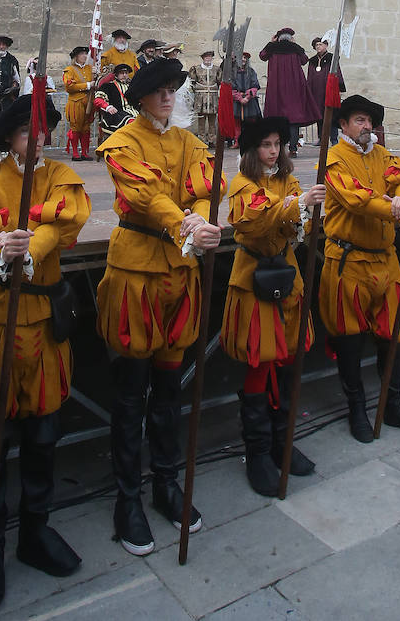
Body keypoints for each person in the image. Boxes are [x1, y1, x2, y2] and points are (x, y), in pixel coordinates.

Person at [0, 94, 91, 611]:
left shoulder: (58, 176)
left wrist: (33, 244)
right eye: (29, 133)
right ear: (9, 137)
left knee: (44, 432)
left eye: (44, 130)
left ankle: (36, 532)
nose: (39, 140)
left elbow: (69, 219)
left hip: (45, 320)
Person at [95, 57, 224, 557]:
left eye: (173, 90)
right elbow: (145, 194)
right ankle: (127, 499)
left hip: (180, 275)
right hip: (136, 275)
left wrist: (201, 214)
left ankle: (166, 484)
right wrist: (187, 222)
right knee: (132, 395)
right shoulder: (122, 142)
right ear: (142, 97)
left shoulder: (191, 141)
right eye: (160, 91)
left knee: (170, 390)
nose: (169, 98)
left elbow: (210, 185)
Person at [319, 94, 400, 442]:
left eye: (369, 121)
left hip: (386, 260)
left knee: (395, 337)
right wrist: (399, 209)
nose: (366, 126)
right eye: (358, 120)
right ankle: (357, 410)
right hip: (348, 263)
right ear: (343, 125)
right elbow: (357, 198)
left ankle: (393, 405)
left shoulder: (382, 154)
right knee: (350, 341)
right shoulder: (333, 158)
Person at [221, 116, 324, 495]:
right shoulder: (242, 184)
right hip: (253, 279)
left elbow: (297, 223)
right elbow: (257, 219)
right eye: (266, 144)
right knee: (259, 364)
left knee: (286, 361)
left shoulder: (287, 179)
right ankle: (258, 451)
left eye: (277, 143)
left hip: (287, 274)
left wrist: (307, 214)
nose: (273, 150)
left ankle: (283, 442)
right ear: (252, 150)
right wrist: (296, 206)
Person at [259, 29, 320, 157]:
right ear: (291, 38)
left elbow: (262, 56)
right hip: (294, 89)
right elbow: (304, 60)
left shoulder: (272, 48)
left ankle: (279, 149)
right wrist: (295, 44)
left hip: (277, 89)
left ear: (278, 38)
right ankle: (293, 149)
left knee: (277, 120)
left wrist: (271, 42)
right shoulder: (296, 49)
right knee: (294, 121)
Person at [307, 38, 346, 145]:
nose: (318, 47)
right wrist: (308, 91)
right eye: (316, 45)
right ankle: (321, 139)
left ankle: (334, 140)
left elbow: (337, 72)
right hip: (316, 93)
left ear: (325, 45)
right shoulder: (312, 61)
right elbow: (309, 77)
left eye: (320, 44)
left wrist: (339, 88)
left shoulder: (331, 58)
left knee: (331, 116)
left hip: (329, 91)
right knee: (319, 116)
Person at [62, 47, 95, 161]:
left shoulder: (90, 69)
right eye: (82, 54)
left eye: (86, 53)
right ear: (76, 56)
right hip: (76, 103)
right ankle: (75, 152)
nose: (85, 56)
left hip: (88, 101)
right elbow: (69, 87)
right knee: (76, 127)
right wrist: (87, 85)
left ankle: (85, 152)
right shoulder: (69, 70)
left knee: (86, 127)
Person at [93, 64, 135, 137]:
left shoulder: (132, 86)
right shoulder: (108, 86)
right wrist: (108, 107)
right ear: (116, 75)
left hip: (134, 112)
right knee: (132, 123)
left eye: (126, 73)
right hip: (117, 113)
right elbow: (98, 100)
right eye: (122, 73)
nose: (124, 75)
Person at [189, 49, 221, 145]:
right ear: (203, 58)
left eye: (210, 56)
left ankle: (212, 140)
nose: (208, 58)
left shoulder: (217, 69)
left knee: (212, 120)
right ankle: (201, 139)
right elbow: (192, 82)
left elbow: (220, 82)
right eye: (206, 56)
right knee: (201, 120)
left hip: (213, 97)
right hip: (200, 98)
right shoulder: (196, 69)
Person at [232, 51, 262, 128]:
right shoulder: (232, 73)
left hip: (250, 102)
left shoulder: (251, 72)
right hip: (236, 102)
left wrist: (247, 97)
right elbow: (232, 88)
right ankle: (237, 140)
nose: (243, 59)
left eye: (245, 58)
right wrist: (240, 98)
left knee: (250, 125)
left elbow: (255, 86)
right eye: (241, 57)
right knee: (236, 125)